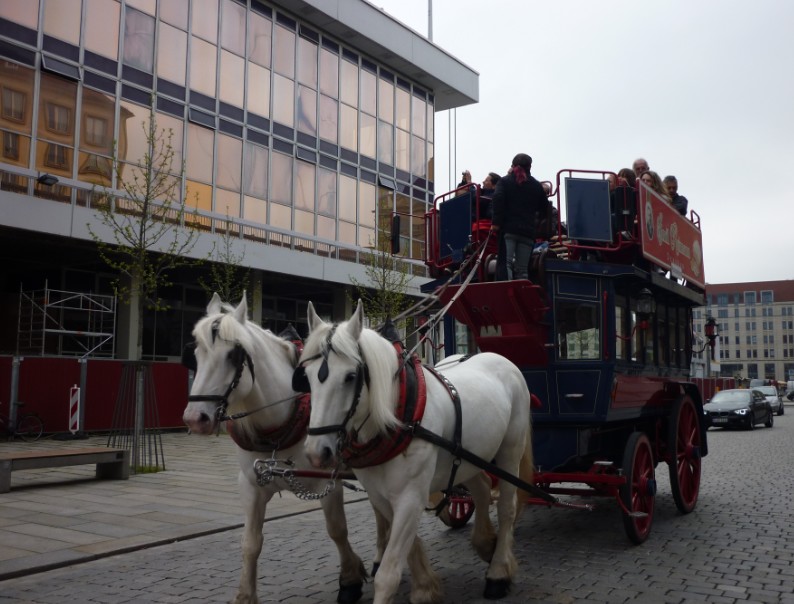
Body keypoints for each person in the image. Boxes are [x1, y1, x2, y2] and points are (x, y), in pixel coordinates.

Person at [491, 153, 551, 280]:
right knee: (522, 270)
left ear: (512, 166)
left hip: (508, 230)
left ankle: (506, 290)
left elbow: (498, 199)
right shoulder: (536, 185)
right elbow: (545, 208)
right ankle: (521, 291)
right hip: (527, 233)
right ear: (530, 167)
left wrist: (496, 223)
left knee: (506, 264)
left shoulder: (504, 182)